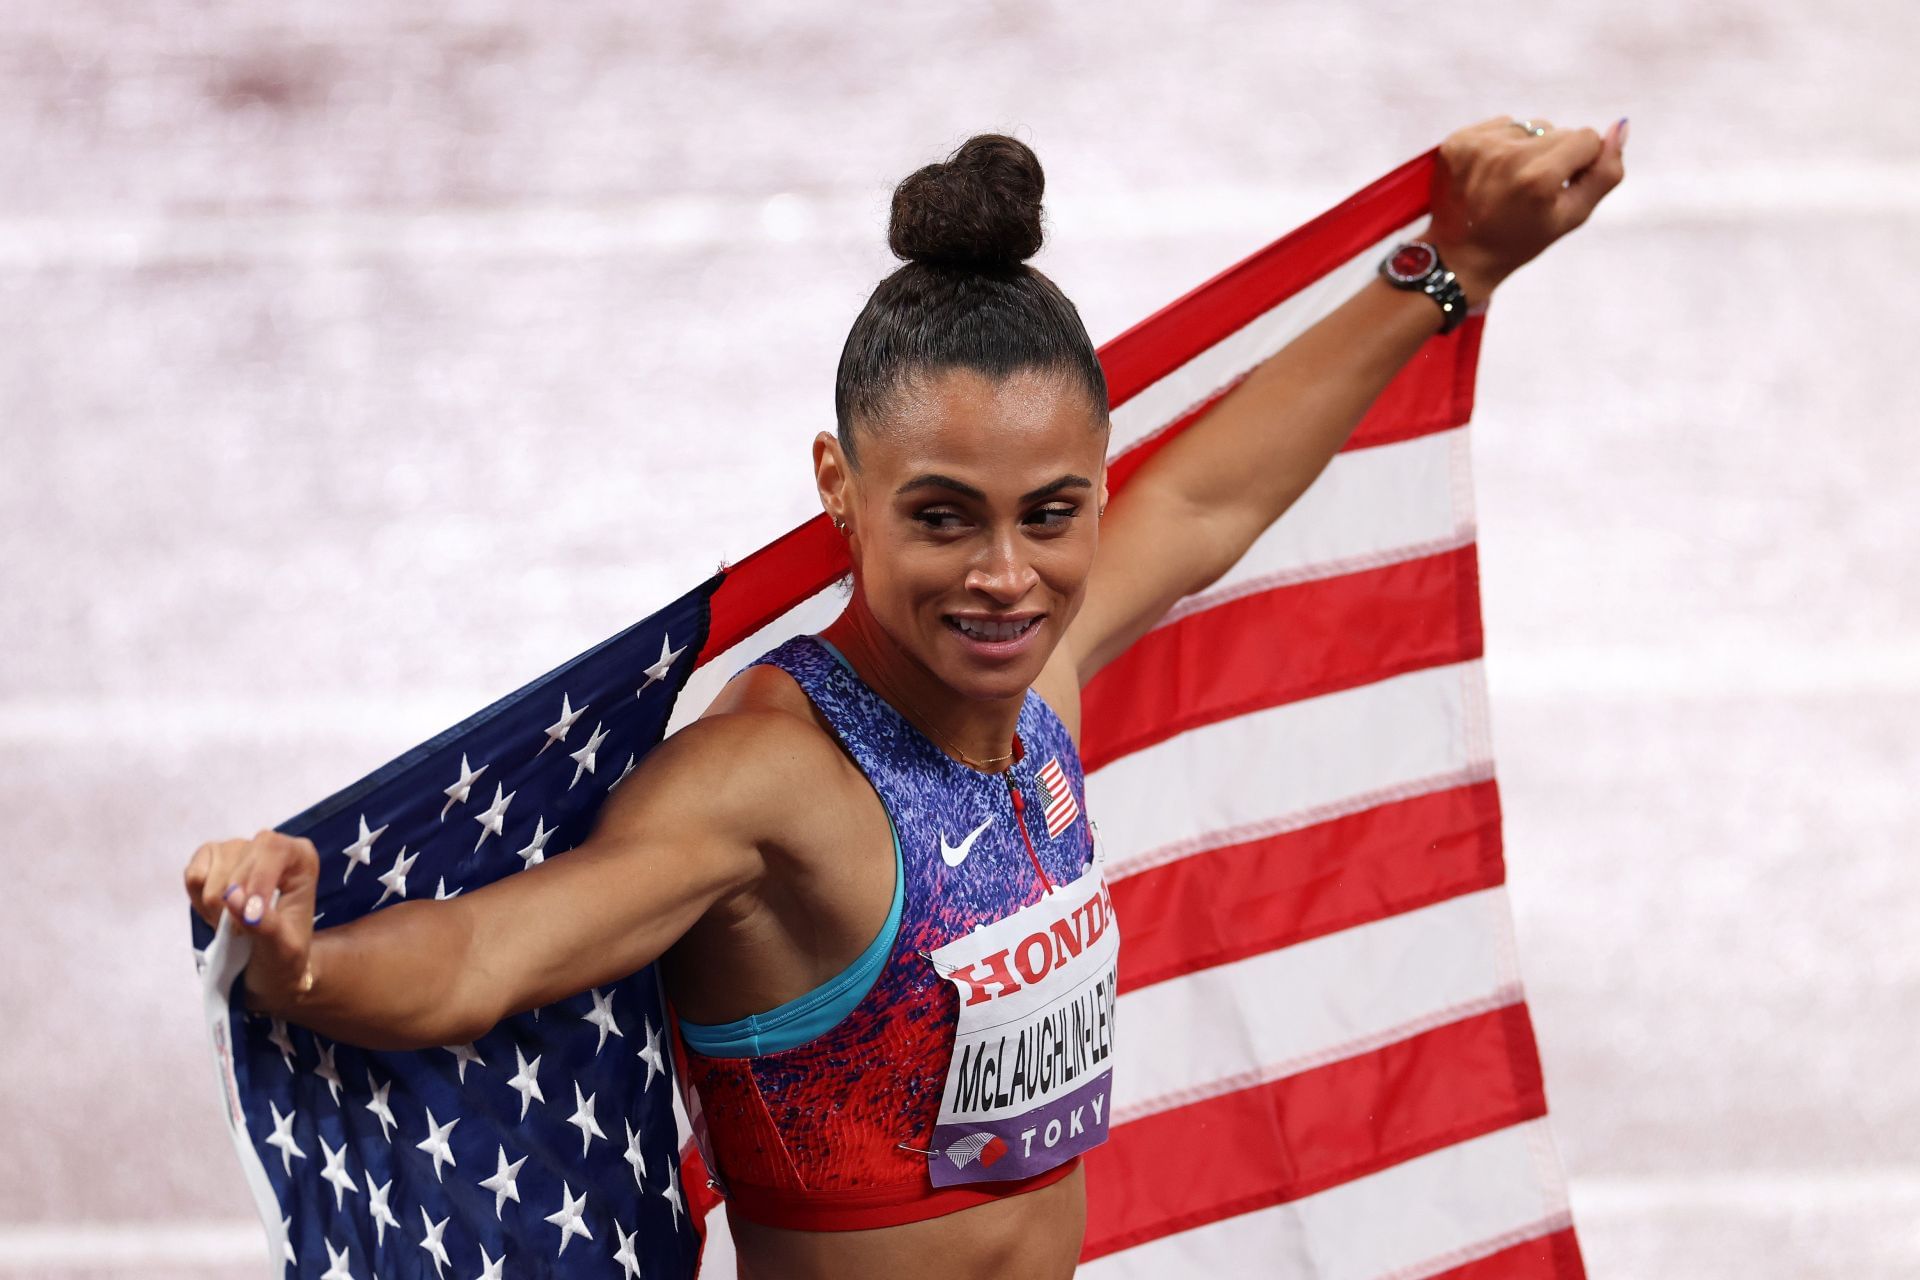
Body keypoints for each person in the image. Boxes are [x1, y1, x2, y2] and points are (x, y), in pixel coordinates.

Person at [184, 115, 1626, 1280]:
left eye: (1053, 514)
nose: (1006, 576)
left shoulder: (1032, 686)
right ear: (840, 488)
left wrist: (1454, 268)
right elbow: (482, 961)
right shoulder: (766, 786)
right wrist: (302, 961)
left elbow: (1206, 500)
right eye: (944, 519)